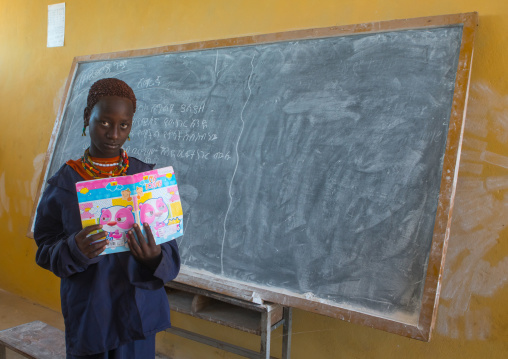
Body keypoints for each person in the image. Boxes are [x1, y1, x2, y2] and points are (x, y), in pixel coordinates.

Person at [34, 78, 180, 358]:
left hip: (137, 311)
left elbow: (170, 247)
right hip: (92, 312)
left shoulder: (145, 180)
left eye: (123, 125)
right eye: (104, 122)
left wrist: (154, 257)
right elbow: (44, 249)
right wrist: (73, 249)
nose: (114, 134)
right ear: (88, 118)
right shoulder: (65, 184)